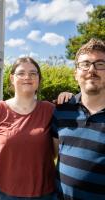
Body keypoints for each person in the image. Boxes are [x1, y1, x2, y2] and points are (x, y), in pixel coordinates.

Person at [0, 57, 72, 200]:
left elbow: (56, 153)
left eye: (33, 73)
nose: (27, 77)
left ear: (39, 79)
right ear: (12, 78)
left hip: (46, 194)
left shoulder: (50, 110)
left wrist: (70, 100)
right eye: (21, 73)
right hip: (5, 194)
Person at [51, 38, 105, 200]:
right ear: (75, 73)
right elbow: (52, 155)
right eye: (85, 64)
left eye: (100, 64)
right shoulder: (61, 111)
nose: (92, 70)